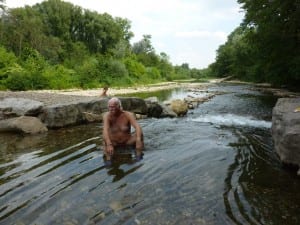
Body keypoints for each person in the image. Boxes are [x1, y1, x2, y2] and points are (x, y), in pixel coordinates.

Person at [102, 97, 144, 165]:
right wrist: (109, 144)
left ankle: (139, 154)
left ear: (118, 106)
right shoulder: (107, 116)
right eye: (109, 107)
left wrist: (138, 140)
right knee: (105, 140)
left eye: (113, 107)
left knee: (140, 134)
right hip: (114, 142)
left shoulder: (128, 115)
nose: (110, 109)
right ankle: (108, 159)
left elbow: (137, 127)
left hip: (127, 141)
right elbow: (105, 130)